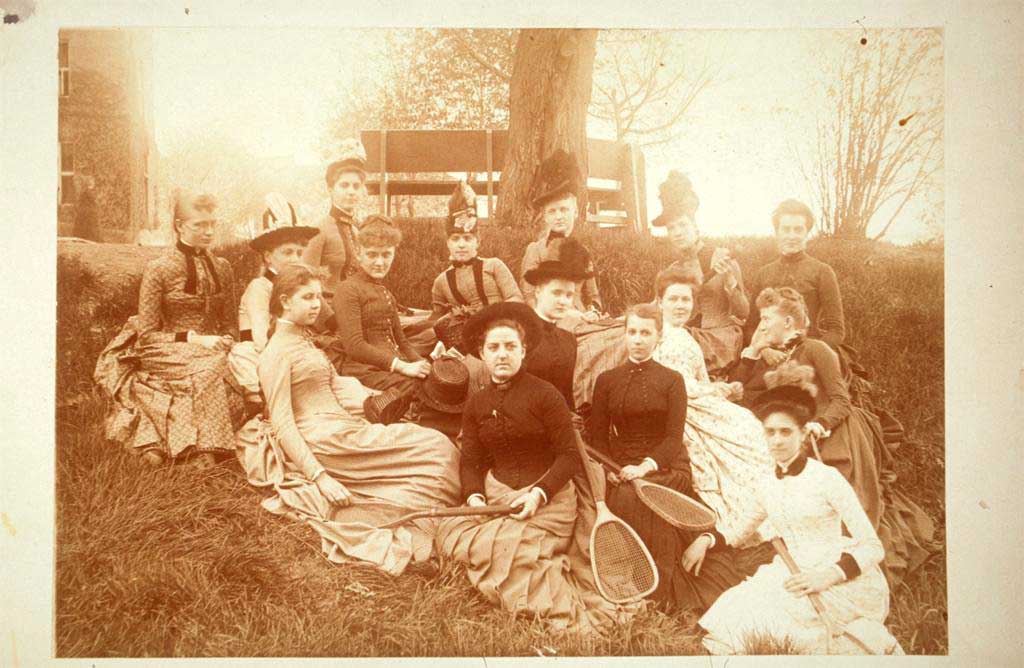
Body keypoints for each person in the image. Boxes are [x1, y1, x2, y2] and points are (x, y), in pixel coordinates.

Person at [238, 263, 461, 575]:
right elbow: (282, 422)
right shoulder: (276, 353)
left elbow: (335, 386)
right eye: (307, 297)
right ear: (285, 301)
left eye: (318, 296)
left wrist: (377, 399)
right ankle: (422, 528)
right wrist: (320, 477)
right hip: (323, 440)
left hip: (345, 426)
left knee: (435, 444)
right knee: (436, 448)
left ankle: (425, 520)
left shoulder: (304, 341)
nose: (317, 304)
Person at [434, 302, 636, 634]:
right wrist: (474, 497)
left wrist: (538, 495)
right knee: (451, 535)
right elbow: (471, 459)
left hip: (549, 500)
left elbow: (569, 457)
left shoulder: (546, 396)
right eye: (494, 348)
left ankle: (555, 601)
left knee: (515, 549)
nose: (502, 354)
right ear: (482, 354)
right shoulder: (476, 403)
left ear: (523, 350)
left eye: (510, 346)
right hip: (498, 498)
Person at [730, 287, 934, 581]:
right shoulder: (776, 359)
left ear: (787, 322)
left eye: (766, 318)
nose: (760, 325)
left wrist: (820, 423)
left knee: (839, 506)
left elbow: (841, 399)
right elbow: (740, 396)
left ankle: (846, 568)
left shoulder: (816, 349)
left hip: (835, 432)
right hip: (801, 439)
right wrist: (751, 352)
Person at [698, 363, 901, 655]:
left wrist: (826, 576)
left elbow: (872, 547)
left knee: (807, 635)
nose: (777, 440)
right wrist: (707, 539)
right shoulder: (765, 482)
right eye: (770, 432)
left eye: (785, 432)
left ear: (803, 433)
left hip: (832, 575)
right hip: (788, 570)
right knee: (737, 616)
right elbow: (739, 529)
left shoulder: (826, 479)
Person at [588, 303, 752, 611]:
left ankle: (666, 590)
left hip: (665, 463)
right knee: (624, 495)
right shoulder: (607, 380)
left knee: (648, 495)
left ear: (659, 337)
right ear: (625, 335)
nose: (638, 340)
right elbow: (597, 436)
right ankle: (642, 582)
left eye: (645, 333)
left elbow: (673, 438)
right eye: (632, 332)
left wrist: (645, 467)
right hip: (620, 464)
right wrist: (610, 468)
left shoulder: (672, 380)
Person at [94, 189, 242, 468]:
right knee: (210, 369)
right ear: (179, 226)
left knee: (227, 368)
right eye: (200, 225)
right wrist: (193, 339)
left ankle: (181, 446)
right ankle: (204, 450)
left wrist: (226, 337)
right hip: (164, 347)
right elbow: (148, 334)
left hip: (211, 348)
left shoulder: (222, 268)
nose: (209, 232)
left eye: (212, 224)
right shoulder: (159, 268)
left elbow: (230, 323)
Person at [651, 267, 775, 546]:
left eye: (686, 299)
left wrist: (719, 390)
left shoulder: (683, 335)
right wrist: (715, 391)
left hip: (698, 400)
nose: (680, 305)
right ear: (660, 302)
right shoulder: (663, 336)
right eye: (673, 299)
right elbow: (676, 385)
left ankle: (763, 512)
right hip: (684, 408)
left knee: (749, 427)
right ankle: (745, 520)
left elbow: (699, 380)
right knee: (746, 428)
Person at [653, 171, 749, 377]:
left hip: (719, 340)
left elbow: (743, 313)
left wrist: (730, 282)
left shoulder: (721, 258)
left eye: (682, 225)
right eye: (671, 228)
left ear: (695, 227)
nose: (677, 232)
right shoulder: (673, 269)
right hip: (684, 335)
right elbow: (655, 308)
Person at [226, 192, 320, 403]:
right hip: (260, 352)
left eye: (299, 253)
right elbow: (261, 337)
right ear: (268, 257)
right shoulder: (260, 287)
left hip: (289, 347)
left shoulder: (297, 287)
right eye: (287, 252)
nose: (295, 259)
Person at [333, 214, 430, 394]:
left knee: (437, 382)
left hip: (391, 367)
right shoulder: (347, 289)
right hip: (364, 370)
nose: (380, 262)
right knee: (419, 389)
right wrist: (402, 366)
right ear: (359, 254)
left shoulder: (386, 294)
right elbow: (355, 346)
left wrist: (421, 363)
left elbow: (402, 341)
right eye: (372, 255)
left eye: (386, 255)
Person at [427, 181, 523, 350]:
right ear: (448, 243)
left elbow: (516, 300)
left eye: (467, 238)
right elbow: (436, 318)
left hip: (502, 332)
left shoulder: (494, 265)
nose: (461, 245)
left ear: (478, 241)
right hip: (466, 342)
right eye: (455, 239)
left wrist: (488, 315)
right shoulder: (441, 281)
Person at [745, 199, 846, 356]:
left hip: (808, 353)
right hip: (768, 355)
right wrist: (764, 350)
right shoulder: (763, 273)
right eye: (786, 229)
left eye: (798, 230)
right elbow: (751, 326)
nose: (791, 236)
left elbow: (836, 330)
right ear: (777, 233)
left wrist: (808, 354)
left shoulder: (822, 271)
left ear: (806, 233)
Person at [518, 149, 603, 319]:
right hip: (547, 319)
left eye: (564, 210)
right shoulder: (536, 250)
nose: (558, 217)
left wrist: (593, 311)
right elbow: (529, 296)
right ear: (545, 217)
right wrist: (564, 315)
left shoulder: (582, 251)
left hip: (582, 319)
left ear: (575, 212)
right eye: (552, 211)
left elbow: (593, 296)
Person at [302, 138, 367, 301]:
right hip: (327, 310)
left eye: (356, 186)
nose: (351, 192)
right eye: (344, 185)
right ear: (331, 189)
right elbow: (305, 283)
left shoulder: (357, 230)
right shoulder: (318, 230)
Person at [72, 175, 99, 241]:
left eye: (93, 181)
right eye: (92, 181)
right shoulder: (88, 192)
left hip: (85, 212)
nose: (93, 183)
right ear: (89, 183)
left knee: (85, 226)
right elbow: (93, 201)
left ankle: (86, 237)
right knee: (87, 226)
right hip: (86, 213)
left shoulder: (86, 191)